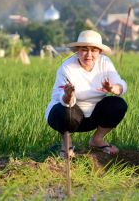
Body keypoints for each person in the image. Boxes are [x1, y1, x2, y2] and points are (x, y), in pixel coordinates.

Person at [45, 30, 128, 158]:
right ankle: (67, 145)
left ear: (99, 52)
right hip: (67, 113)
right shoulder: (67, 67)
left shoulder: (105, 63)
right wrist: (68, 95)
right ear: (77, 51)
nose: (89, 54)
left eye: (94, 50)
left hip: (93, 115)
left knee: (118, 104)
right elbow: (63, 99)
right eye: (84, 49)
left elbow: (121, 85)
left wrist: (113, 88)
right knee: (66, 111)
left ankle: (97, 140)